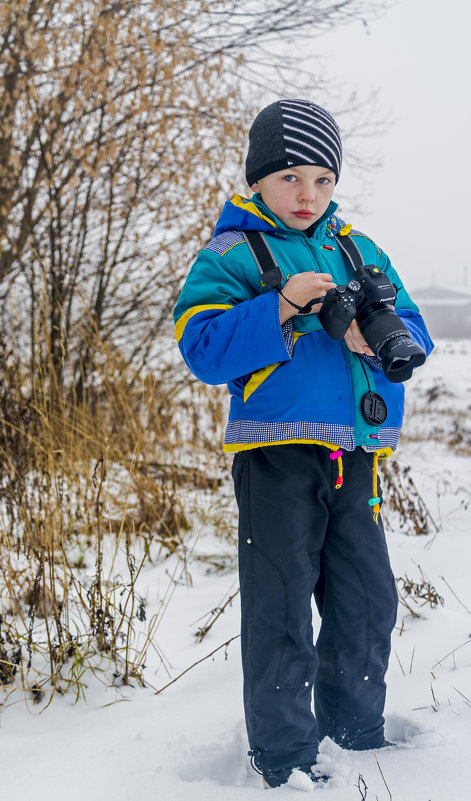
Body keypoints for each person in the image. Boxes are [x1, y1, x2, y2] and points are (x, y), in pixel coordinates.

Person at [173, 99, 434, 789]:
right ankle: (285, 756)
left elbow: (412, 333)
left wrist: (370, 337)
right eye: (289, 177)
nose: (306, 194)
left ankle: (356, 730)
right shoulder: (232, 251)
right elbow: (200, 347)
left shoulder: (360, 249)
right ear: (257, 179)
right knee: (281, 603)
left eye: (321, 179)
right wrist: (283, 305)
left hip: (355, 454)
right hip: (276, 452)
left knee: (366, 599)